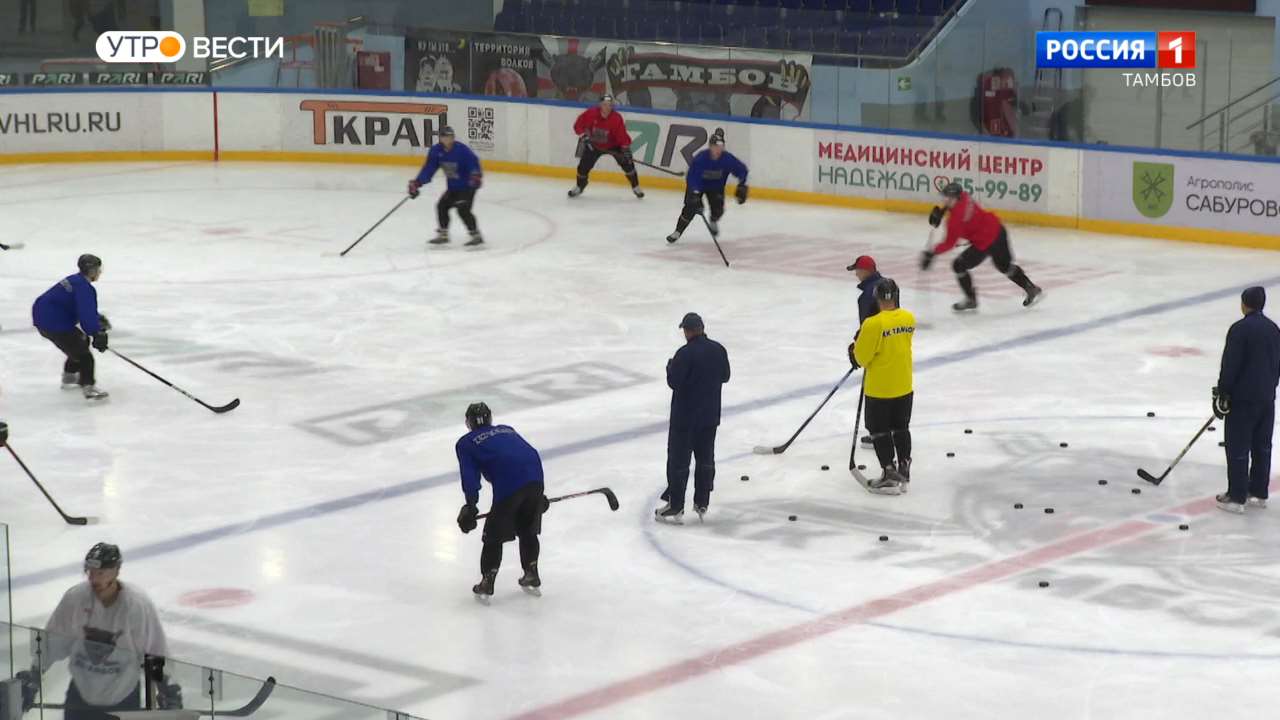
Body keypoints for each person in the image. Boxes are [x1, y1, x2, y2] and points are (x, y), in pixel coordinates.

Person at [16, 543, 179, 720]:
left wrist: (167, 689)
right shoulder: (76, 598)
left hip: (122, 700)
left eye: (100, 573)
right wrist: (34, 674)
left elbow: (154, 650)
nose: (94, 579)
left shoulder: (136, 605)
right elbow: (53, 641)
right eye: (90, 572)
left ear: (116, 571)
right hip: (80, 697)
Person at [455, 402, 547, 601]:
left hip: (509, 484)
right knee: (528, 529)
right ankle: (531, 572)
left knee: (493, 536)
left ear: (468, 423)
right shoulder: (507, 429)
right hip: (535, 478)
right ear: (490, 418)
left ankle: (487, 581)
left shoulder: (466, 443)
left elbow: (470, 476)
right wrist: (538, 495)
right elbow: (528, 454)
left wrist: (471, 505)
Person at [919, 182, 1042, 311]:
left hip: (984, 242)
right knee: (1004, 266)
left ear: (954, 198)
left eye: (946, 198)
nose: (944, 200)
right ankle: (1030, 288)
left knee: (958, 265)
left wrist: (932, 253)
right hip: (997, 230)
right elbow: (957, 205)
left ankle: (971, 299)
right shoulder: (965, 196)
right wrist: (944, 210)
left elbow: (949, 244)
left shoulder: (955, 220)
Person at [658, 313, 731, 524]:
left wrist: (670, 367)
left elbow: (674, 382)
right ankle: (702, 502)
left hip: (685, 419)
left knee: (679, 462)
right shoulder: (718, 349)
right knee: (705, 460)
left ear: (688, 331)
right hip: (709, 417)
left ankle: (675, 505)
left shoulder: (685, 354)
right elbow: (725, 376)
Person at [1213, 286, 1280, 514]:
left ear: (1244, 304)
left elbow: (1230, 364)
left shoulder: (1239, 330)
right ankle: (1258, 493)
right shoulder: (1274, 329)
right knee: (1262, 445)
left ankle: (1236, 497)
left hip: (1243, 399)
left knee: (1238, 446)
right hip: (1267, 398)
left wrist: (1223, 391)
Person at [851, 279, 916, 495]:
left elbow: (862, 358)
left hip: (880, 388)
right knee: (901, 427)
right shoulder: (908, 318)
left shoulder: (873, 324)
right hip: (904, 385)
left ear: (876, 298)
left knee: (878, 430)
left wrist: (854, 350)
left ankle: (889, 474)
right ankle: (904, 469)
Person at [32, 254, 110, 400]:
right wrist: (97, 332)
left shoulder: (75, 280)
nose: (100, 272)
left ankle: (69, 377)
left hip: (43, 318)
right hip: (54, 322)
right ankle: (89, 388)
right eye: (98, 269)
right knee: (84, 355)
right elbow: (86, 313)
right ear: (92, 270)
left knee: (79, 343)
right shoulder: (85, 288)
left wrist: (96, 319)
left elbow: (76, 306)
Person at [666, 129, 748, 243]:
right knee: (690, 208)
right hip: (698, 187)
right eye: (716, 147)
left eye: (721, 147)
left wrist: (742, 184)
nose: (719, 149)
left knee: (718, 209)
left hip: (716, 187)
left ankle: (713, 220)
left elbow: (741, 170)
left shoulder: (727, 159)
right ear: (710, 147)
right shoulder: (701, 158)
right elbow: (692, 177)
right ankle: (677, 231)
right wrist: (695, 194)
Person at [409, 126, 484, 247]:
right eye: (444, 137)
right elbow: (429, 168)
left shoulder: (462, 150)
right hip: (453, 187)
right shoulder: (436, 151)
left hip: (467, 186)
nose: (446, 139)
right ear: (440, 138)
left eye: (449, 137)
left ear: (453, 138)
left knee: (462, 209)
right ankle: (443, 234)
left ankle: (476, 235)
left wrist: (475, 175)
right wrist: (417, 183)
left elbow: (473, 163)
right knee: (442, 206)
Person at [568, 95, 644, 199]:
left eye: (610, 105)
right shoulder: (591, 113)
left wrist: (625, 148)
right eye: (605, 105)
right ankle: (579, 186)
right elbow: (578, 125)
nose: (607, 107)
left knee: (628, 164)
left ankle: (636, 186)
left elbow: (621, 135)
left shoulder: (616, 118)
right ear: (600, 105)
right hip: (594, 145)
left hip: (613, 145)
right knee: (583, 167)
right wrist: (583, 136)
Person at [846, 254, 883, 449]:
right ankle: (890, 431)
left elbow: (867, 327)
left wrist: (857, 348)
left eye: (857, 271)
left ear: (866, 271)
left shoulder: (866, 295)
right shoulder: (889, 286)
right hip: (893, 344)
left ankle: (877, 435)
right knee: (890, 391)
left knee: (874, 392)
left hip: (875, 349)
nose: (856, 275)